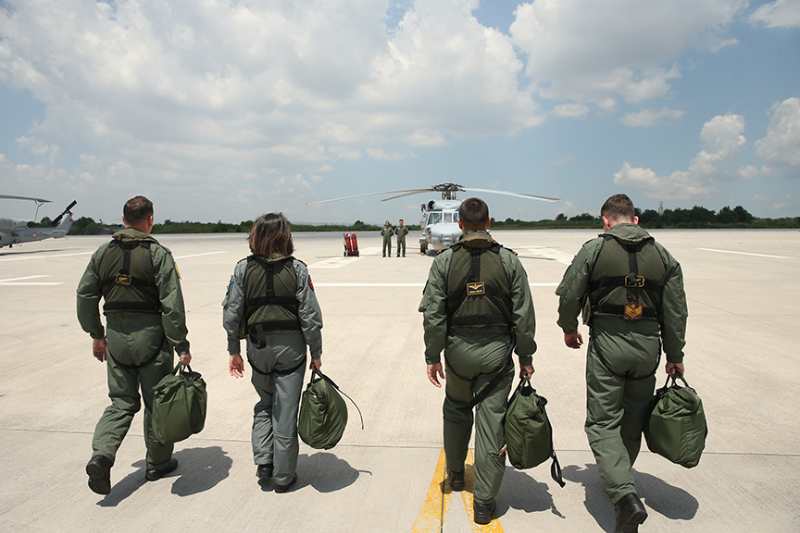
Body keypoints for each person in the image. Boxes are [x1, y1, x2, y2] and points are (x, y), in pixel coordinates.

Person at [556, 194, 687, 533]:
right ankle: (620, 479)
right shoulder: (663, 256)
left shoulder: (594, 250)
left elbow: (570, 295)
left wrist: (569, 329)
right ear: (636, 219)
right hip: (647, 351)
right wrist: (675, 356)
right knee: (632, 419)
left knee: (602, 423)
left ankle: (624, 496)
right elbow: (676, 313)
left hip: (608, 347)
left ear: (606, 221)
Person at [419, 198, 536, 525]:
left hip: (458, 354)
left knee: (457, 409)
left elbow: (433, 315)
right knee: (492, 421)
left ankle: (456, 474)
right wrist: (525, 356)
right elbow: (524, 315)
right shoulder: (509, 261)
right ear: (489, 221)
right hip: (497, 355)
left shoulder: (444, 261)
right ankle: (484, 503)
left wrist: (432, 355)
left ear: (459, 223)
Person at [77, 196, 192, 495]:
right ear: (150, 219)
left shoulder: (103, 253)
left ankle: (101, 455)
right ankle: (157, 464)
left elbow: (85, 296)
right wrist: (181, 345)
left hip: (116, 339)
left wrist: (96, 334)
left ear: (123, 219)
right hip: (152, 340)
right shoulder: (158, 254)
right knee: (157, 402)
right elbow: (172, 304)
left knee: (121, 402)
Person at [223, 213, 323, 492]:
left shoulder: (242, 269)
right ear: (285, 237)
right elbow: (310, 316)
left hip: (258, 349)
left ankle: (264, 460)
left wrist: (233, 350)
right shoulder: (298, 269)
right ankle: (284, 476)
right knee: (286, 412)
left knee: (265, 403)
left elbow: (231, 313)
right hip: (291, 350)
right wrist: (316, 352)